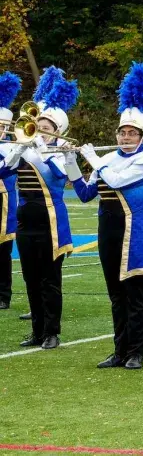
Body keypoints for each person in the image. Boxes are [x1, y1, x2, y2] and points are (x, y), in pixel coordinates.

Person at [66, 62, 143, 369]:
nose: (126, 137)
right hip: (108, 229)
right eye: (123, 132)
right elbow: (85, 193)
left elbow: (117, 181)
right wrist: (71, 161)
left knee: (135, 293)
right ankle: (120, 351)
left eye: (132, 133)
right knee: (116, 294)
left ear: (141, 136)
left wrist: (93, 159)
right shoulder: (107, 158)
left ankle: (136, 352)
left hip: (136, 230)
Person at [0, 69, 75, 349]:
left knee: (50, 280)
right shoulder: (25, 149)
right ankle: (37, 331)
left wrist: (43, 147)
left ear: (57, 131)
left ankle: (52, 332)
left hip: (52, 223)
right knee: (31, 279)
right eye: (38, 125)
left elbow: (60, 174)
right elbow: (2, 171)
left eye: (47, 127)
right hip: (25, 223)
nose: (41, 130)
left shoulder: (61, 152)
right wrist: (20, 149)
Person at [0, 71, 22, 311]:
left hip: (4, 201)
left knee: (2, 250)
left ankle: (3, 294)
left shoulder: (11, 148)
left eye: (2, 127)